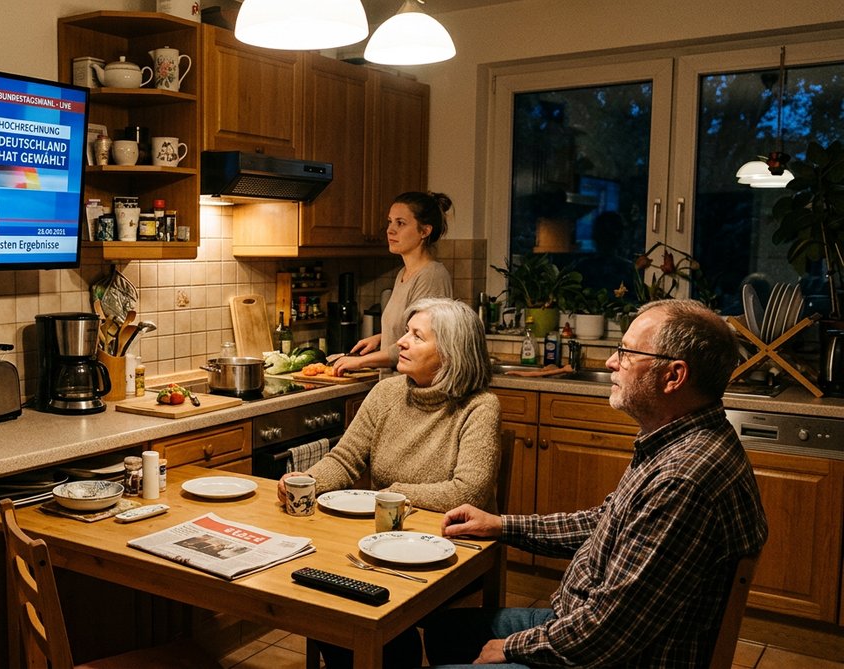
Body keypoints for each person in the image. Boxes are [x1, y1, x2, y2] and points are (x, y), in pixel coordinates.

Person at [427, 299, 768, 668]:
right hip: (582, 625)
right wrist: (501, 525)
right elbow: (604, 522)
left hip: (617, 657)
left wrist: (511, 647)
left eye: (627, 353)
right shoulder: (678, 440)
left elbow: (608, 633)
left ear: (673, 376)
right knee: (444, 631)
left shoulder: (682, 480)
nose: (610, 362)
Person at [280, 297, 501, 668]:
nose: (400, 341)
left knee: (370, 616)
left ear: (450, 354)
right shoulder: (386, 393)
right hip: (380, 541)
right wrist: (308, 480)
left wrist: (393, 495)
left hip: (449, 549)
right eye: (406, 332)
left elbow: (469, 492)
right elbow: (345, 458)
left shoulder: (479, 406)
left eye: (417, 336)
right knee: (328, 599)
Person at [333, 191, 454, 374]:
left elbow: (419, 344)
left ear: (424, 231)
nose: (390, 230)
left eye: (401, 223)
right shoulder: (403, 274)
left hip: (412, 386)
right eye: (390, 221)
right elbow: (409, 331)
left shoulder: (432, 276)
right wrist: (381, 338)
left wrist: (361, 362)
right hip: (394, 383)